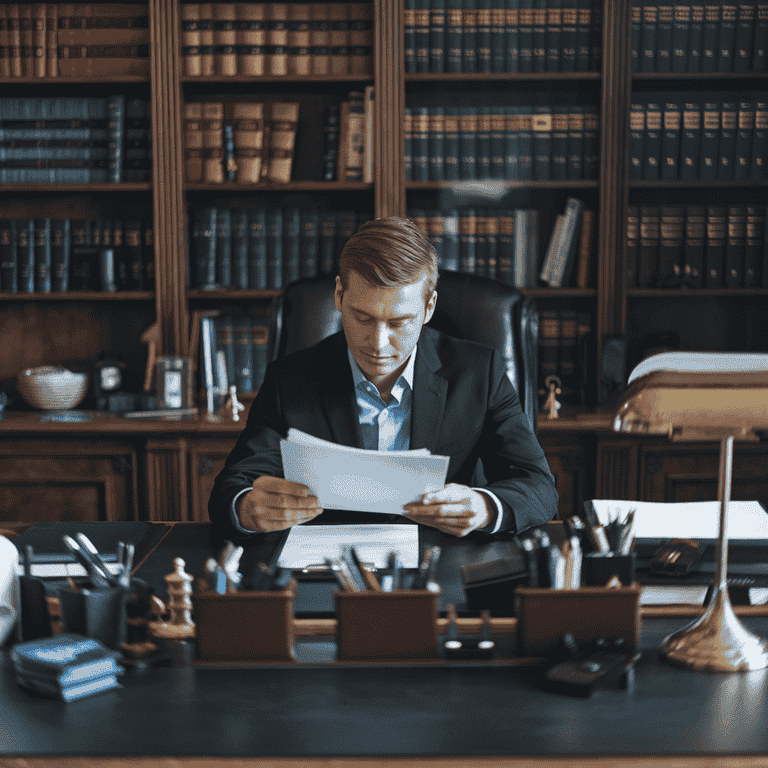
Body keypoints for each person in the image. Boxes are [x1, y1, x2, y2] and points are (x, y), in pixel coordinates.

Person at [208, 216, 558, 541]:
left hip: (437, 566)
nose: (377, 344)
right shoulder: (291, 379)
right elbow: (233, 486)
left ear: (429, 307)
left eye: (398, 322)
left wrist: (484, 508)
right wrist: (247, 508)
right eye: (362, 318)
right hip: (329, 566)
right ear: (339, 296)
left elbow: (538, 485)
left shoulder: (480, 372)